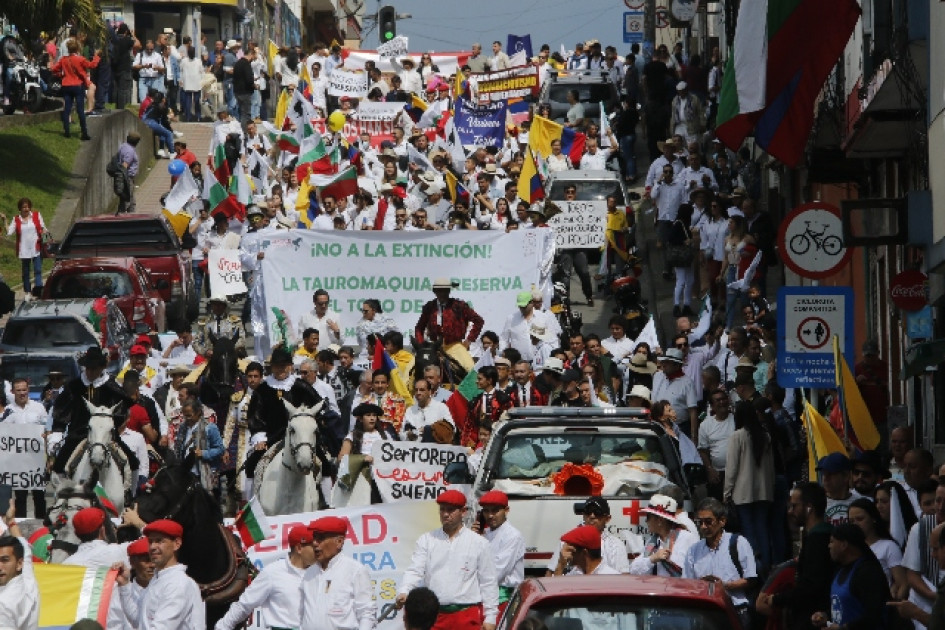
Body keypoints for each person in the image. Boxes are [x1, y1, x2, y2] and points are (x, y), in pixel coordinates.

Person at [397, 490, 499, 630]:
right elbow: (415, 570)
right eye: (442, 509)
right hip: (434, 617)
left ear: (463, 512)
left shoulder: (479, 543)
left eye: (450, 510)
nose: (445, 514)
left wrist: (491, 616)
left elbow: (488, 582)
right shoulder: (427, 540)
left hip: (466, 615)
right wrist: (404, 590)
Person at [759, 482, 835, 630]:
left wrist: (777, 599)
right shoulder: (816, 536)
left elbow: (811, 587)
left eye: (794, 506)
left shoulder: (818, 540)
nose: (790, 511)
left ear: (809, 507)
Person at [245, 346, 326, 479]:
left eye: (284, 365)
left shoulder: (301, 386)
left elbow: (318, 405)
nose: (281, 369)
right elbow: (255, 415)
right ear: (271, 367)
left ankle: (327, 498)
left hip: (301, 436)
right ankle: (254, 499)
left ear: (290, 366)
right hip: (272, 437)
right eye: (277, 366)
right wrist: (260, 438)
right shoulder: (262, 389)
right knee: (251, 464)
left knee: (324, 463)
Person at [215, 525, 312, 630]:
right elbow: (245, 604)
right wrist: (223, 627)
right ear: (299, 548)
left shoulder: (320, 573)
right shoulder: (273, 572)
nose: (318, 547)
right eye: (313, 545)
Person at [51, 346, 129, 473]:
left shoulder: (112, 387)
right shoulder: (73, 386)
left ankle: (130, 490)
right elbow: (62, 412)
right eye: (88, 368)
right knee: (59, 466)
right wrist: (56, 434)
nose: (91, 372)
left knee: (132, 461)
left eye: (95, 369)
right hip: (78, 434)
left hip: (106, 436)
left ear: (102, 367)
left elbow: (121, 412)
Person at [114, 519, 205, 630]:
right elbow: (139, 621)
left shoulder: (178, 583)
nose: (152, 547)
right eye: (151, 541)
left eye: (159, 541)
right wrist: (124, 585)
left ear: (177, 544)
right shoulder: (159, 579)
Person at [684, 498, 757, 630]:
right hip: (705, 613)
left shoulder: (739, 543)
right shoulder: (693, 551)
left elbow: (751, 579)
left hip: (735, 611)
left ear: (722, 521)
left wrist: (724, 586)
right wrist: (701, 585)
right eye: (699, 522)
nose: (703, 527)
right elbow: (687, 584)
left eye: (708, 522)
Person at [724, 399, 775, 573]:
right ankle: (766, 568)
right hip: (764, 492)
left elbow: (731, 469)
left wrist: (726, 492)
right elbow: (771, 468)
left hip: (743, 493)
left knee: (748, 531)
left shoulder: (737, 436)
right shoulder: (765, 435)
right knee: (762, 529)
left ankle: (755, 568)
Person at [810, 523, 892, 630]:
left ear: (844, 545)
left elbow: (874, 615)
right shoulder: (840, 571)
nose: (829, 546)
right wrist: (825, 616)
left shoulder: (867, 573)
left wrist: (844, 628)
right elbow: (843, 607)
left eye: (832, 541)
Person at [414, 278, 484, 373]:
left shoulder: (459, 306)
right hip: (434, 347)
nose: (442, 293)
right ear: (435, 291)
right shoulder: (429, 307)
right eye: (440, 290)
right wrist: (421, 345)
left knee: (471, 370)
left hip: (455, 346)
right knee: (410, 369)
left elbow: (479, 321)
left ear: (449, 291)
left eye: (445, 290)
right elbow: (419, 328)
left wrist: (469, 340)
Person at [547, 497, 630, 575]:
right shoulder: (569, 542)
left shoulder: (616, 545)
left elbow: (624, 579)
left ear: (607, 518)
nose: (592, 516)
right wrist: (561, 564)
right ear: (583, 515)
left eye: (597, 512)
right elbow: (549, 577)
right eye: (588, 512)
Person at [2, 378, 48, 516]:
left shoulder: (39, 407)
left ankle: (42, 525)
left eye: (24, 390)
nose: (22, 393)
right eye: (19, 390)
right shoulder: (8, 411)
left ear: (28, 390)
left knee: (39, 496)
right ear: (12, 392)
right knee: (20, 497)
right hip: (17, 461)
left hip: (37, 458)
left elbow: (47, 429)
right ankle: (20, 527)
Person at [476, 491, 525, 617]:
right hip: (482, 595)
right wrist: (470, 539)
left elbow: (498, 571)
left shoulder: (512, 536)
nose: (490, 515)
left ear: (506, 510)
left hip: (502, 598)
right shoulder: (483, 534)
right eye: (486, 511)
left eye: (495, 511)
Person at [629, 494, 699, 577]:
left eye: (648, 517)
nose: (646, 521)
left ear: (659, 520)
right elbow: (633, 570)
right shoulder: (651, 542)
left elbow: (694, 571)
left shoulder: (687, 539)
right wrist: (652, 559)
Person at [848, 498, 906, 591]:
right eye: (851, 521)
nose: (855, 524)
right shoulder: (850, 548)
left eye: (860, 519)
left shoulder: (889, 546)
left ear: (873, 518)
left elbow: (902, 584)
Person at [0, 500, 39, 630]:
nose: (0, 567)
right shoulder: (27, 579)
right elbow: (24, 547)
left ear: (19, 563)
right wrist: (10, 521)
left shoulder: (3, 605)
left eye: (5, 560)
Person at [50, 39, 99, 139]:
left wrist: (61, 75)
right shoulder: (80, 59)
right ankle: (84, 132)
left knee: (67, 108)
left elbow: (54, 69)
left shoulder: (63, 59)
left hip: (66, 85)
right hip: (78, 85)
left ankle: (66, 131)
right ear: (77, 48)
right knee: (80, 109)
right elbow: (92, 65)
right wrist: (97, 56)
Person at [1, 198, 47, 295]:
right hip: (24, 249)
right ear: (20, 208)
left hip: (36, 247)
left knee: (38, 270)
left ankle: (39, 290)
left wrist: (44, 234)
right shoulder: (16, 219)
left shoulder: (36, 215)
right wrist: (4, 220)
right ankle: (27, 292)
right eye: (24, 207)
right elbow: (9, 232)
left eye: (28, 207)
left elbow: (43, 227)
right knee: (26, 273)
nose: (26, 209)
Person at [651, 348, 698, 439]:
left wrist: (694, 437)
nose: (663, 364)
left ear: (676, 365)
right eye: (663, 361)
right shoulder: (657, 377)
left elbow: (693, 411)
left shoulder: (687, 383)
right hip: (658, 425)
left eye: (667, 362)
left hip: (679, 428)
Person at [62, 507, 130, 569]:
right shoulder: (117, 551)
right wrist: (138, 524)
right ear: (102, 530)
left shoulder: (65, 565)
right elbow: (140, 547)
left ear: (76, 534)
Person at [698, 388, 734, 501]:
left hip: (737, 472)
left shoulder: (737, 420)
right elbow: (703, 450)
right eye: (718, 400)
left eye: (724, 399)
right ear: (712, 406)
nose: (722, 402)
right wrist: (710, 470)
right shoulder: (705, 425)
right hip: (717, 474)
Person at [402, 378, 454, 443]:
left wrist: (430, 429)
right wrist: (408, 435)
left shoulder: (441, 407)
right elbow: (401, 433)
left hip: (435, 450)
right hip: (414, 450)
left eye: (422, 390)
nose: (418, 393)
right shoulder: (409, 410)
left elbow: (451, 430)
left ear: (429, 392)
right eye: (416, 390)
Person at [818, 452, 861, 526]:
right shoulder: (816, 504)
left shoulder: (861, 503)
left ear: (846, 476)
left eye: (830, 473)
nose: (825, 478)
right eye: (823, 473)